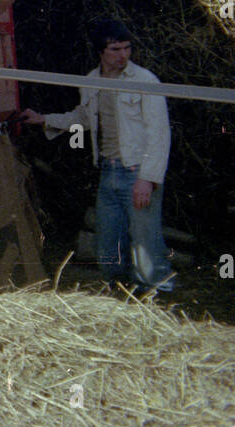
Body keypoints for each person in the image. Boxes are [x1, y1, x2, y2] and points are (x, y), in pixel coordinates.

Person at [19, 20, 175, 294]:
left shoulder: (145, 81)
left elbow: (159, 134)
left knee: (145, 240)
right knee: (109, 240)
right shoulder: (91, 81)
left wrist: (147, 179)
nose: (123, 55)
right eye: (115, 49)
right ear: (100, 52)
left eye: (127, 48)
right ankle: (119, 293)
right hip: (109, 172)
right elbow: (83, 118)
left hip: (136, 171)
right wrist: (44, 119)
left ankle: (160, 297)